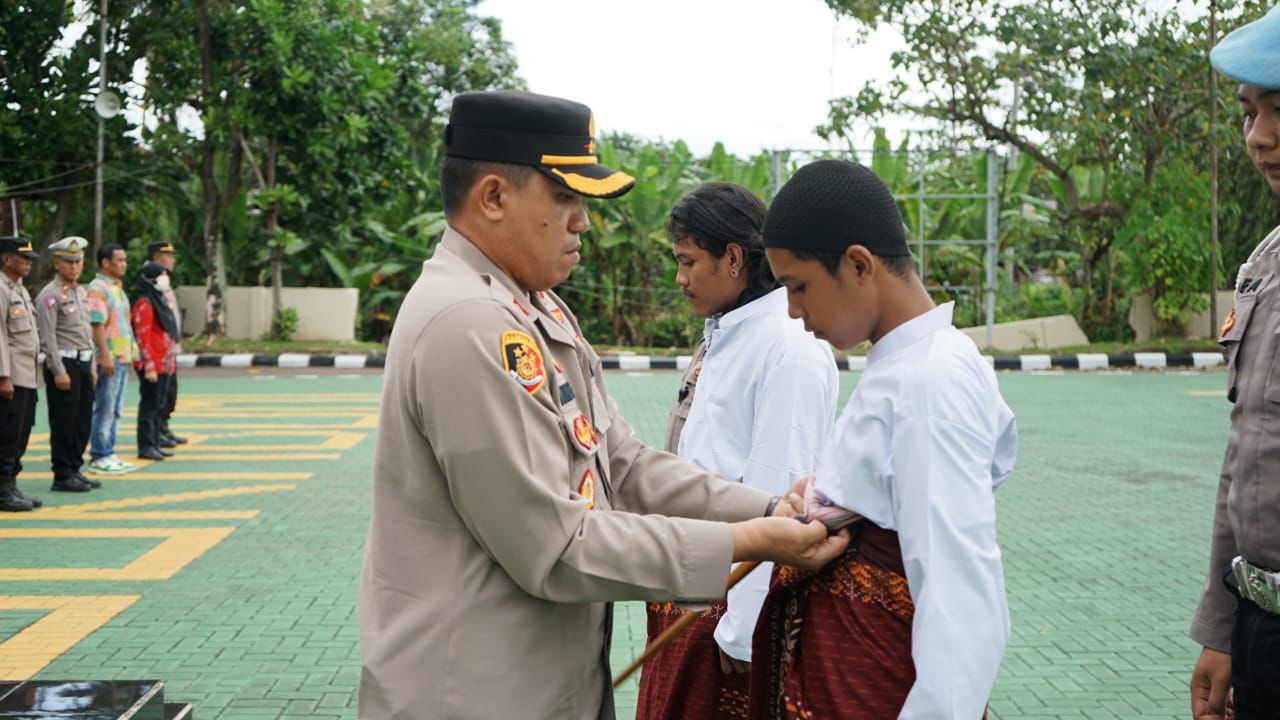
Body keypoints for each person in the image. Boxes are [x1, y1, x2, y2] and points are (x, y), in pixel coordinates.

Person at [358, 90, 850, 720]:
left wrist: (763, 505)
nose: (582, 222)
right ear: (493, 197)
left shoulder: (534, 307)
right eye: (565, 198)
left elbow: (621, 462)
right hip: (475, 692)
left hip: (541, 681)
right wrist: (750, 538)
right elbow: (556, 547)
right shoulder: (466, 322)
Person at [747, 159, 1018, 719]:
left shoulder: (928, 382)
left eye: (798, 287)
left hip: (880, 686)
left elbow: (959, 595)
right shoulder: (907, 366)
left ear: (858, 264)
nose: (793, 312)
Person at [637, 183, 838, 720]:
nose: (679, 278)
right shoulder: (726, 332)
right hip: (692, 584)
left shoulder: (789, 346)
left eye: (688, 261)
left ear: (732, 258)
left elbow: (779, 486)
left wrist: (743, 629)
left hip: (726, 606)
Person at [1190, 8, 1280, 719]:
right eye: (1250, 113)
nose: (1261, 138)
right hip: (1260, 626)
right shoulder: (1264, 266)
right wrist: (1221, 630)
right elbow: (1244, 452)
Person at [35, 237, 98, 492]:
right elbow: (47, 337)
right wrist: (58, 370)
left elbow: (86, 332)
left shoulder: (80, 292)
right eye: (68, 262)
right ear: (57, 264)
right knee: (64, 421)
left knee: (82, 421)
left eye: (78, 261)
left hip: (83, 362)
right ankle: (62, 473)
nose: (74, 267)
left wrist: (92, 365)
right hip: (65, 364)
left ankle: (75, 468)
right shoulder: (49, 296)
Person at [0, 235, 44, 511]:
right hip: (12, 376)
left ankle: (11, 485)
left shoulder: (19, 289)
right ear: (6, 259)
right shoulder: (1, 289)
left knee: (21, 433)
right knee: (6, 435)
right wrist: (3, 376)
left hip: (28, 374)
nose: (28, 262)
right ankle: (3, 491)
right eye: (23, 257)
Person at [86, 244, 138, 475]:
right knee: (105, 408)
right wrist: (105, 355)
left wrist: (130, 353)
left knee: (115, 409)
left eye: (125, 260)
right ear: (105, 262)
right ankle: (99, 454)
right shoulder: (98, 288)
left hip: (121, 357)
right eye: (119, 260)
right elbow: (96, 323)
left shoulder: (116, 288)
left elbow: (123, 325)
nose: (123, 264)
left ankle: (109, 451)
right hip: (108, 358)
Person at [130, 262, 177, 462]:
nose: (165, 278)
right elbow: (142, 337)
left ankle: (155, 442)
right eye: (161, 275)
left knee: (158, 405)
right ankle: (146, 445)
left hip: (164, 363)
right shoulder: (144, 303)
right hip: (152, 365)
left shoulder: (158, 300)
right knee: (149, 406)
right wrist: (149, 365)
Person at [146, 241, 186, 447]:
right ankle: (156, 431)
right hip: (158, 350)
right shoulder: (150, 281)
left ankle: (163, 427)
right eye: (167, 255)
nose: (172, 259)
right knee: (158, 396)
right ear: (156, 257)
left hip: (169, 349)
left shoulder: (164, 281)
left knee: (170, 392)